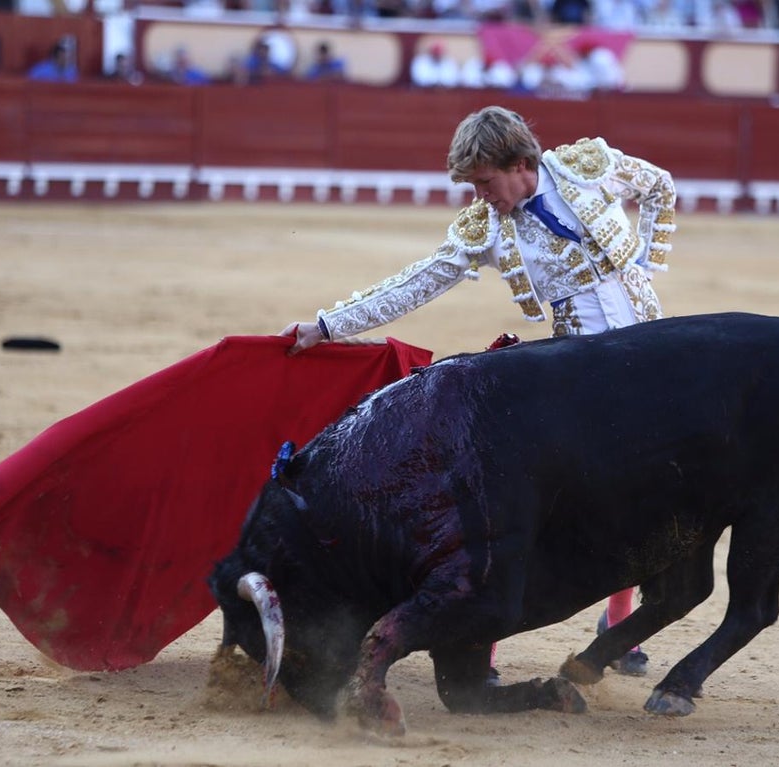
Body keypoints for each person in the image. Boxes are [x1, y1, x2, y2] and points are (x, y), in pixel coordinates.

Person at [282, 105, 678, 681]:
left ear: (522, 165)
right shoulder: (488, 226)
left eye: (485, 182)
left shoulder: (588, 169)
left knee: (647, 487)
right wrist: (327, 325)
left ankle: (620, 627)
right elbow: (419, 280)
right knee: (536, 505)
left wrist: (646, 258)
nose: (479, 196)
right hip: (580, 369)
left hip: (653, 345)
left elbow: (659, 186)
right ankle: (482, 646)